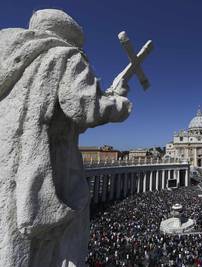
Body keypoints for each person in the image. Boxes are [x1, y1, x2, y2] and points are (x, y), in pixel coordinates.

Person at [0, 9, 131, 266]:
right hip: (49, 168)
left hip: (7, 169)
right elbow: (85, 108)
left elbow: (65, 119)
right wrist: (120, 102)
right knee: (62, 243)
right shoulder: (65, 54)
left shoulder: (11, 62)